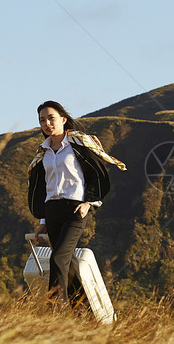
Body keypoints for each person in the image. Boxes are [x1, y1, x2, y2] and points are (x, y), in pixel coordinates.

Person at [27, 100, 126, 304]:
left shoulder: (78, 145)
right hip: (52, 211)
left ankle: (55, 311)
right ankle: (85, 314)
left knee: (57, 259)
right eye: (42, 120)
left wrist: (89, 203)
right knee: (68, 264)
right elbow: (43, 188)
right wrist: (43, 222)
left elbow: (97, 175)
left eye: (51, 118)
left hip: (75, 210)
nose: (47, 124)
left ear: (63, 119)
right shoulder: (42, 153)